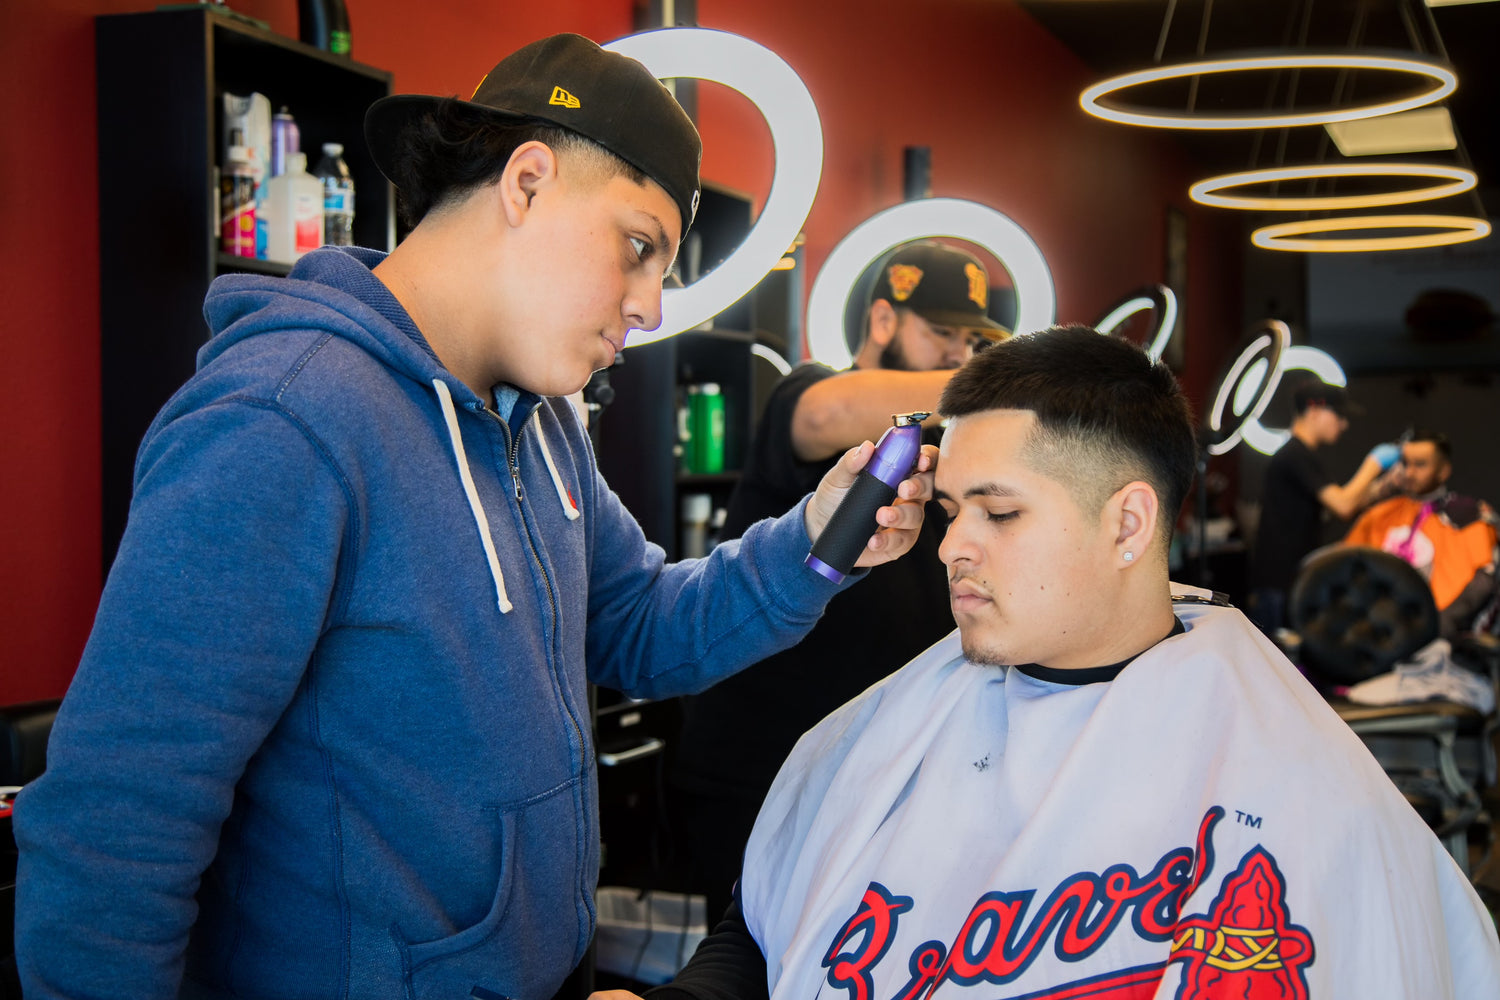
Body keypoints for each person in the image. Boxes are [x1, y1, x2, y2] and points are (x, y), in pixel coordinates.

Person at [13, 34, 940, 1000]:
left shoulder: (540, 424)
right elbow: (118, 822)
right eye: (638, 247)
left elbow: (639, 626)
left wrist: (818, 543)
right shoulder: (284, 417)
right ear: (528, 183)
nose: (651, 306)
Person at [624, 326, 1500, 1000]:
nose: (950, 548)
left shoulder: (1297, 780)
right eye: (952, 510)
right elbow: (765, 925)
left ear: (1128, 524)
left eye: (999, 515)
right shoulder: (901, 719)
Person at [670, 242, 1009, 921]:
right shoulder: (811, 396)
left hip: (873, 773)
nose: (958, 353)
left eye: (971, 340)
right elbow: (828, 413)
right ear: (883, 320)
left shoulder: (948, 453)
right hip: (762, 769)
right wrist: (1004, 388)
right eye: (941, 332)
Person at [1247, 379, 1396, 633]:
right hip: (1279, 586)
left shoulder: (1302, 455)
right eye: (1338, 415)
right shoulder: (1295, 455)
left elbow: (1341, 505)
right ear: (1314, 412)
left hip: (1286, 582)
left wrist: (1385, 487)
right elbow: (1342, 504)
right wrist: (1374, 463)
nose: (1344, 424)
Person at [1343, 430, 1498, 635]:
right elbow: (1343, 566)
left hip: (1433, 630)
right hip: (1370, 627)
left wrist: (1443, 624)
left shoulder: (1467, 516)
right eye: (1406, 464)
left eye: (1420, 464)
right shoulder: (1380, 514)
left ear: (1443, 471)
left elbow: (1484, 579)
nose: (1409, 473)